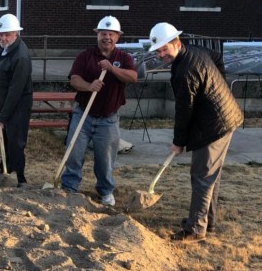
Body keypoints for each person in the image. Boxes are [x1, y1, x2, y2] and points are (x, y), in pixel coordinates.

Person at [148, 22, 243, 242]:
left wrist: (178, 142)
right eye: (158, 50)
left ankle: (195, 230)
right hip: (224, 116)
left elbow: (184, 111)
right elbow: (217, 57)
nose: (162, 54)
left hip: (215, 124)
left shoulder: (184, 71)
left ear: (177, 43)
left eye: (165, 49)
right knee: (210, 175)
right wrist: (219, 85)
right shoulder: (195, 51)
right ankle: (207, 221)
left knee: (202, 176)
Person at [61, 16, 137, 206]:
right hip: (83, 115)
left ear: (118, 37)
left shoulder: (124, 58)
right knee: (74, 154)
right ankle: (69, 188)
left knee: (105, 160)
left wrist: (111, 69)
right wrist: (89, 86)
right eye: (104, 33)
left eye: (111, 34)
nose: (107, 38)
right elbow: (74, 79)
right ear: (97, 35)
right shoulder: (85, 56)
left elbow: (133, 77)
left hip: (108, 119)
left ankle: (105, 192)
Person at [0, 14, 33, 187]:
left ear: (15, 33)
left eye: (6, 34)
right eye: (0, 34)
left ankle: (19, 177)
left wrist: (4, 116)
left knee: (16, 141)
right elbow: (5, 73)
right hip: (7, 102)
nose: (2, 37)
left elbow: (16, 89)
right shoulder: (5, 49)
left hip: (17, 106)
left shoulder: (20, 56)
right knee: (7, 138)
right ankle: (5, 169)